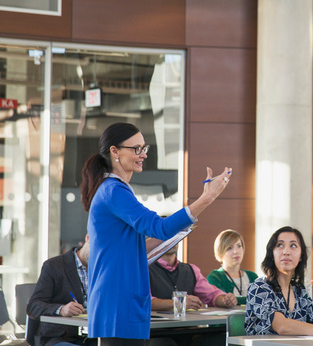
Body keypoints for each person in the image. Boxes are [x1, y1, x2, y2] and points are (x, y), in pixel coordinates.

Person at [80, 122, 231, 346]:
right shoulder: (114, 190)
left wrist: (179, 231)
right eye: (136, 149)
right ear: (114, 151)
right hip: (119, 303)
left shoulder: (112, 189)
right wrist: (205, 199)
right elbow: (159, 227)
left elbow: (138, 248)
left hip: (120, 302)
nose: (142, 155)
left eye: (144, 148)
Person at [245, 226, 313, 336]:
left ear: (301, 256)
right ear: (272, 254)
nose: (286, 252)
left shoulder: (298, 290)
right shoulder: (259, 287)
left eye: (293, 246)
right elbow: (282, 326)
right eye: (279, 245)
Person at [27, 235, 92, 346]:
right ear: (88, 237)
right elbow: (33, 306)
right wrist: (61, 309)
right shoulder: (53, 266)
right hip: (60, 337)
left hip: (93, 338)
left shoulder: (105, 270)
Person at [149, 242, 237, 310]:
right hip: (157, 330)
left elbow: (211, 295)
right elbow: (144, 302)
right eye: (167, 236)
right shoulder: (144, 270)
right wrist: (179, 303)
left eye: (176, 235)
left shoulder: (191, 270)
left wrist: (225, 300)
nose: (173, 240)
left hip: (189, 328)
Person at [207, 229, 258, 305]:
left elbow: (261, 299)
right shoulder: (214, 277)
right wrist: (251, 299)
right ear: (220, 252)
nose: (236, 251)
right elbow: (221, 299)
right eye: (229, 248)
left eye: (239, 246)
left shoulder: (252, 276)